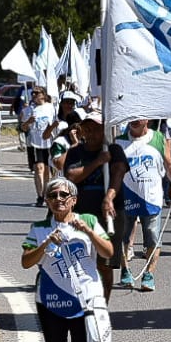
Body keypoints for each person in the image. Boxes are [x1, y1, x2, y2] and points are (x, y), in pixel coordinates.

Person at [21, 176, 113, 342]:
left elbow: (108, 252)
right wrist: (47, 242)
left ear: (73, 200)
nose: (58, 199)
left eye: (63, 195)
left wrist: (88, 231)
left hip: (84, 300)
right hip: (51, 300)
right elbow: (26, 262)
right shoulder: (39, 227)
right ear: (48, 201)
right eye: (52, 196)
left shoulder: (90, 220)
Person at [60, 109, 126, 299]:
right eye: (87, 129)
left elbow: (118, 172)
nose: (91, 133)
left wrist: (109, 197)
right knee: (80, 260)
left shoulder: (113, 150)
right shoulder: (75, 153)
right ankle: (82, 300)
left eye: (96, 129)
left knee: (104, 263)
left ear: (103, 130)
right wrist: (97, 162)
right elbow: (72, 175)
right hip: (81, 215)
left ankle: (102, 305)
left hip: (109, 214)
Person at [115, 117, 171, 292]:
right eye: (131, 117)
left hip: (151, 197)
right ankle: (125, 271)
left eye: (139, 117)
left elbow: (168, 163)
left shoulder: (158, 138)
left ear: (148, 120)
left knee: (152, 237)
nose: (134, 121)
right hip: (125, 198)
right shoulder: (119, 142)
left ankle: (149, 274)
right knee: (123, 237)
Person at [20, 86, 57, 202]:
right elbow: (23, 128)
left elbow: (57, 122)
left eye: (37, 93)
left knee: (47, 170)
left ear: (43, 94)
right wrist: (28, 121)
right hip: (35, 143)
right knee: (39, 168)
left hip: (49, 143)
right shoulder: (29, 109)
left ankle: (46, 194)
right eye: (33, 93)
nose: (34, 95)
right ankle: (40, 196)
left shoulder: (51, 107)